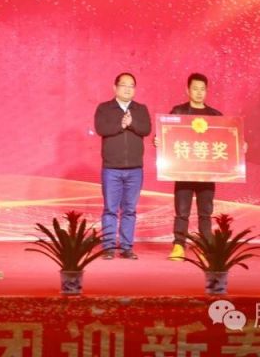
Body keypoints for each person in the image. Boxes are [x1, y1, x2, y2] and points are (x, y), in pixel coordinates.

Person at [162, 73, 222, 261]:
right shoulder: (178, 112)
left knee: (206, 213)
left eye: (202, 89)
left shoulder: (215, 116)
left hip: (206, 172)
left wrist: (240, 145)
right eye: (195, 89)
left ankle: (206, 247)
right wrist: (159, 140)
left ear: (207, 91)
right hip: (184, 172)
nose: (199, 92)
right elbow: (166, 135)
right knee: (182, 212)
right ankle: (179, 245)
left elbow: (225, 140)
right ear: (187, 90)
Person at [94, 72, 151, 260]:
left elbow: (146, 129)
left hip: (135, 169)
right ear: (115, 87)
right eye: (124, 85)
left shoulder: (140, 109)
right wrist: (122, 125)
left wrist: (132, 123)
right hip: (111, 169)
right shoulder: (104, 108)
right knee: (110, 209)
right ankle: (109, 247)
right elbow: (101, 128)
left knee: (130, 210)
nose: (127, 89)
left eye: (131, 86)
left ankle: (127, 247)